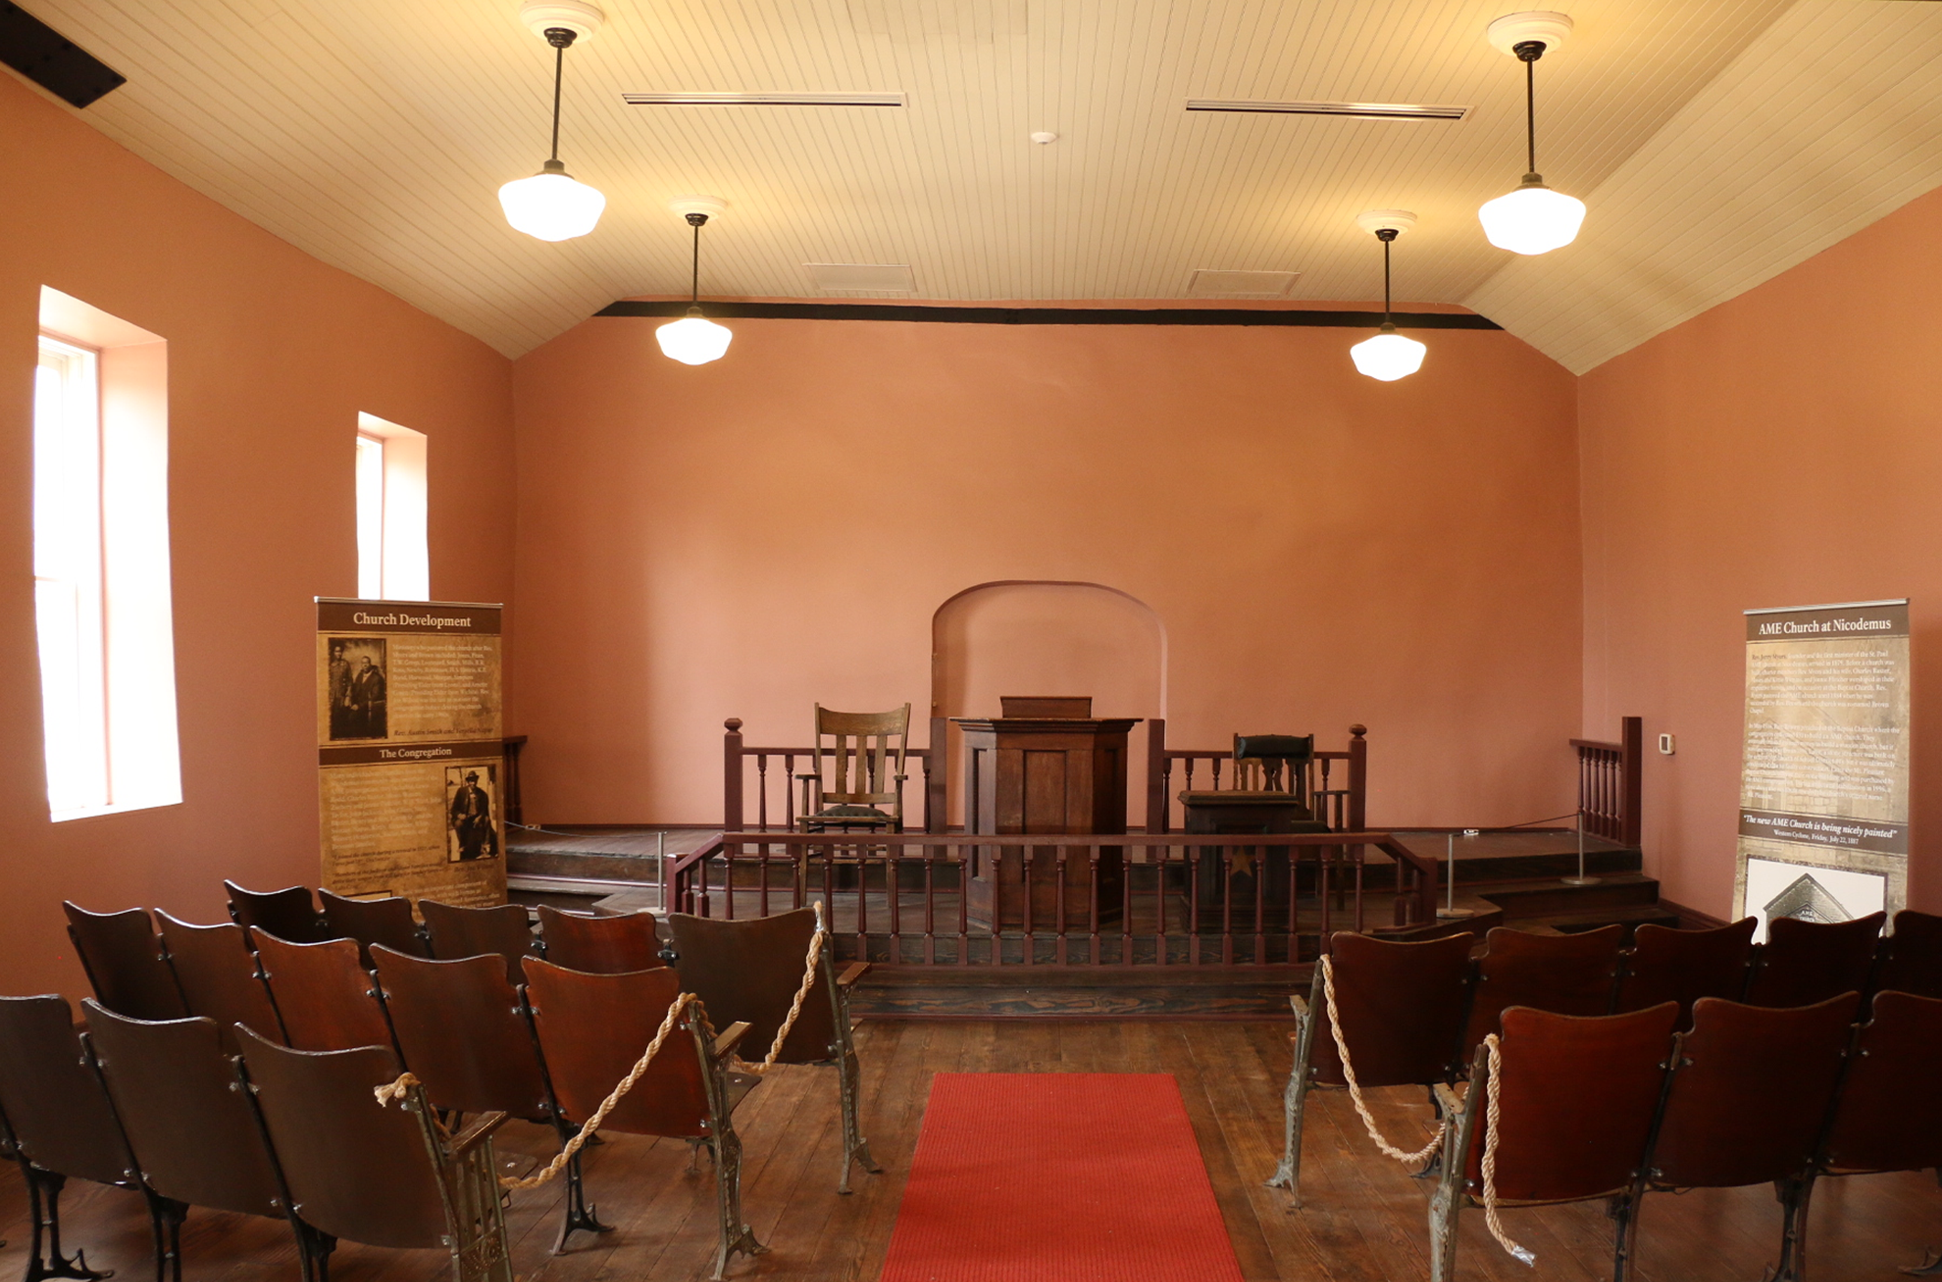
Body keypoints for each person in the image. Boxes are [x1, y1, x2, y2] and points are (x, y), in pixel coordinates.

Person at [449, 771, 495, 861]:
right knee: (458, 824)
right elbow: (453, 809)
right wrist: (459, 815)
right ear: (468, 782)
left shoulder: (482, 794)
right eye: (470, 781)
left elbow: (483, 810)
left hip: (476, 818)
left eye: (474, 780)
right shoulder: (461, 792)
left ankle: (485, 846)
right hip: (465, 818)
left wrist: (479, 817)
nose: (472, 783)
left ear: (477, 781)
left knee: (486, 820)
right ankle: (463, 845)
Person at [348, 653, 387, 738]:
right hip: (356, 705)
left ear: (370, 664)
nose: (364, 665)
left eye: (366, 663)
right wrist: (352, 701)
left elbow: (374, 697)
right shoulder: (360, 675)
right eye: (362, 663)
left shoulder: (376, 678)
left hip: (368, 707)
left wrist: (359, 706)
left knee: (352, 718)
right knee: (343, 713)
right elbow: (355, 691)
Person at [327, 643, 352, 739]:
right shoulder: (330, 665)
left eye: (340, 651)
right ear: (333, 653)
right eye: (336, 651)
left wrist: (348, 696)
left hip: (342, 696)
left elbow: (350, 681)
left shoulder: (345, 664)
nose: (338, 653)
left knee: (342, 717)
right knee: (332, 718)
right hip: (332, 696)